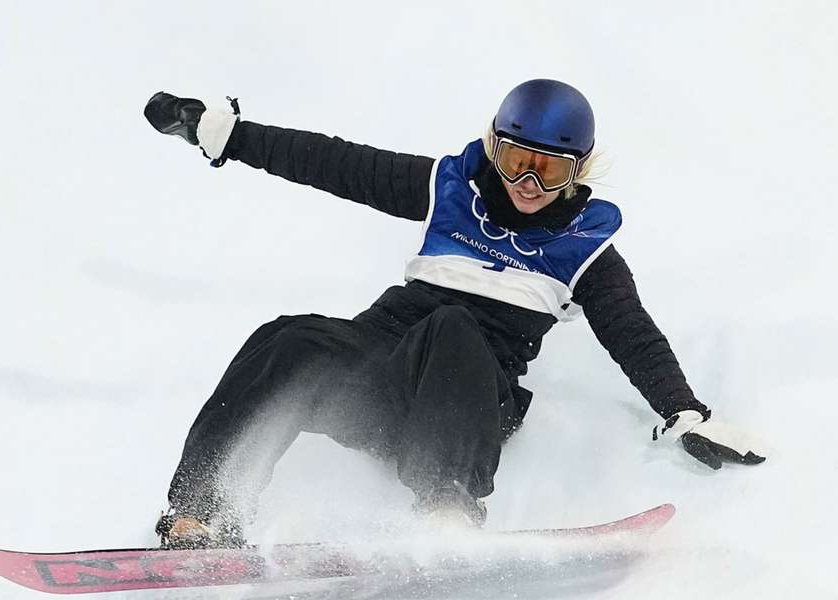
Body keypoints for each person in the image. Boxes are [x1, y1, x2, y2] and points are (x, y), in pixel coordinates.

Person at [143, 79, 764, 549]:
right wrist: (228, 136)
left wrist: (684, 412)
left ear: (579, 172)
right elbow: (336, 163)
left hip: (469, 399)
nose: (528, 182)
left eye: (550, 170)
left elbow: (635, 337)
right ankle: (208, 512)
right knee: (287, 338)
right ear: (494, 147)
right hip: (383, 381)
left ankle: (448, 512)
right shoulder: (448, 189)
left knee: (453, 326)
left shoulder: (588, 254)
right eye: (518, 158)